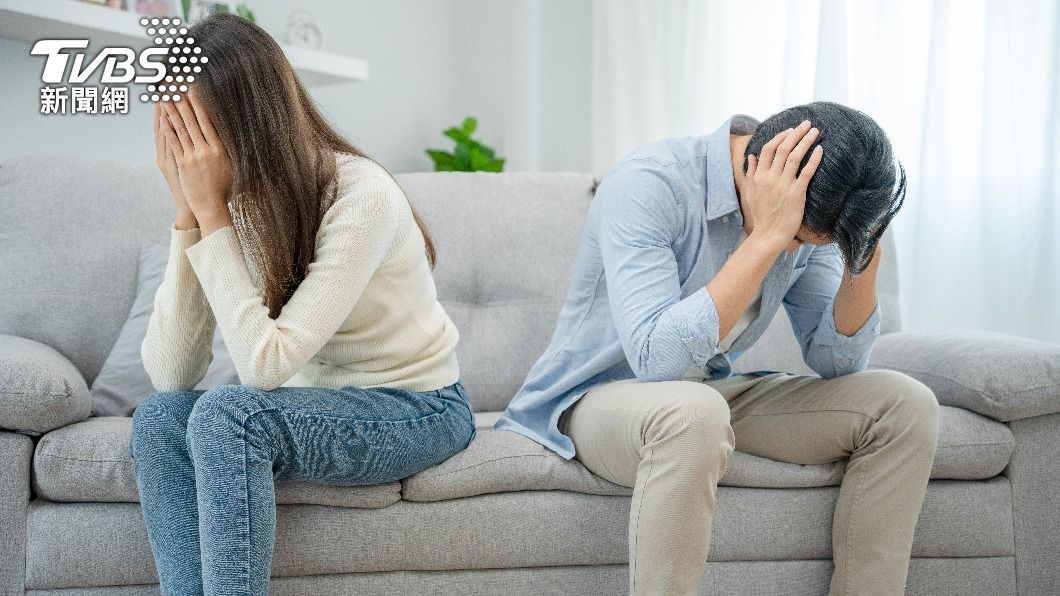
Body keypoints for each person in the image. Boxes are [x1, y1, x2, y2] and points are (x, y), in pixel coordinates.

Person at [495, 101, 940, 596]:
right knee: (693, 412)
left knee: (903, 404)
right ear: (759, 169)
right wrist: (767, 237)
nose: (795, 250)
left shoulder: (805, 215)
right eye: (794, 236)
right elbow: (654, 359)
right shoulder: (650, 184)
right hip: (596, 397)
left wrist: (862, 254)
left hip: (704, 395)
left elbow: (838, 361)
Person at [128, 13, 475, 596]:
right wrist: (187, 213)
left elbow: (267, 366)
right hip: (318, 403)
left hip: (417, 408)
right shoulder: (232, 201)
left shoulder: (360, 194)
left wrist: (209, 213)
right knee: (159, 420)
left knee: (228, 414)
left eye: (195, 130)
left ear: (248, 121)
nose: (187, 152)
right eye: (175, 130)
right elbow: (170, 375)